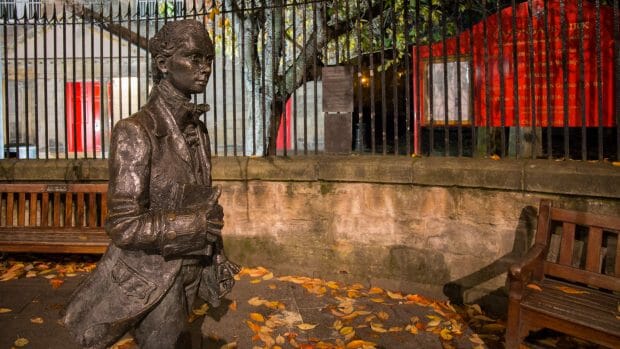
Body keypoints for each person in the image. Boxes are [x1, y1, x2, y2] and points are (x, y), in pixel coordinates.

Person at [63, 19, 239, 349]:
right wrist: (194, 225)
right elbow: (124, 226)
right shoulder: (135, 131)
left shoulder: (198, 128)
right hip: (154, 275)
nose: (205, 69)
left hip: (192, 269)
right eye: (194, 57)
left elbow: (197, 199)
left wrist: (214, 255)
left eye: (209, 59)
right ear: (163, 64)